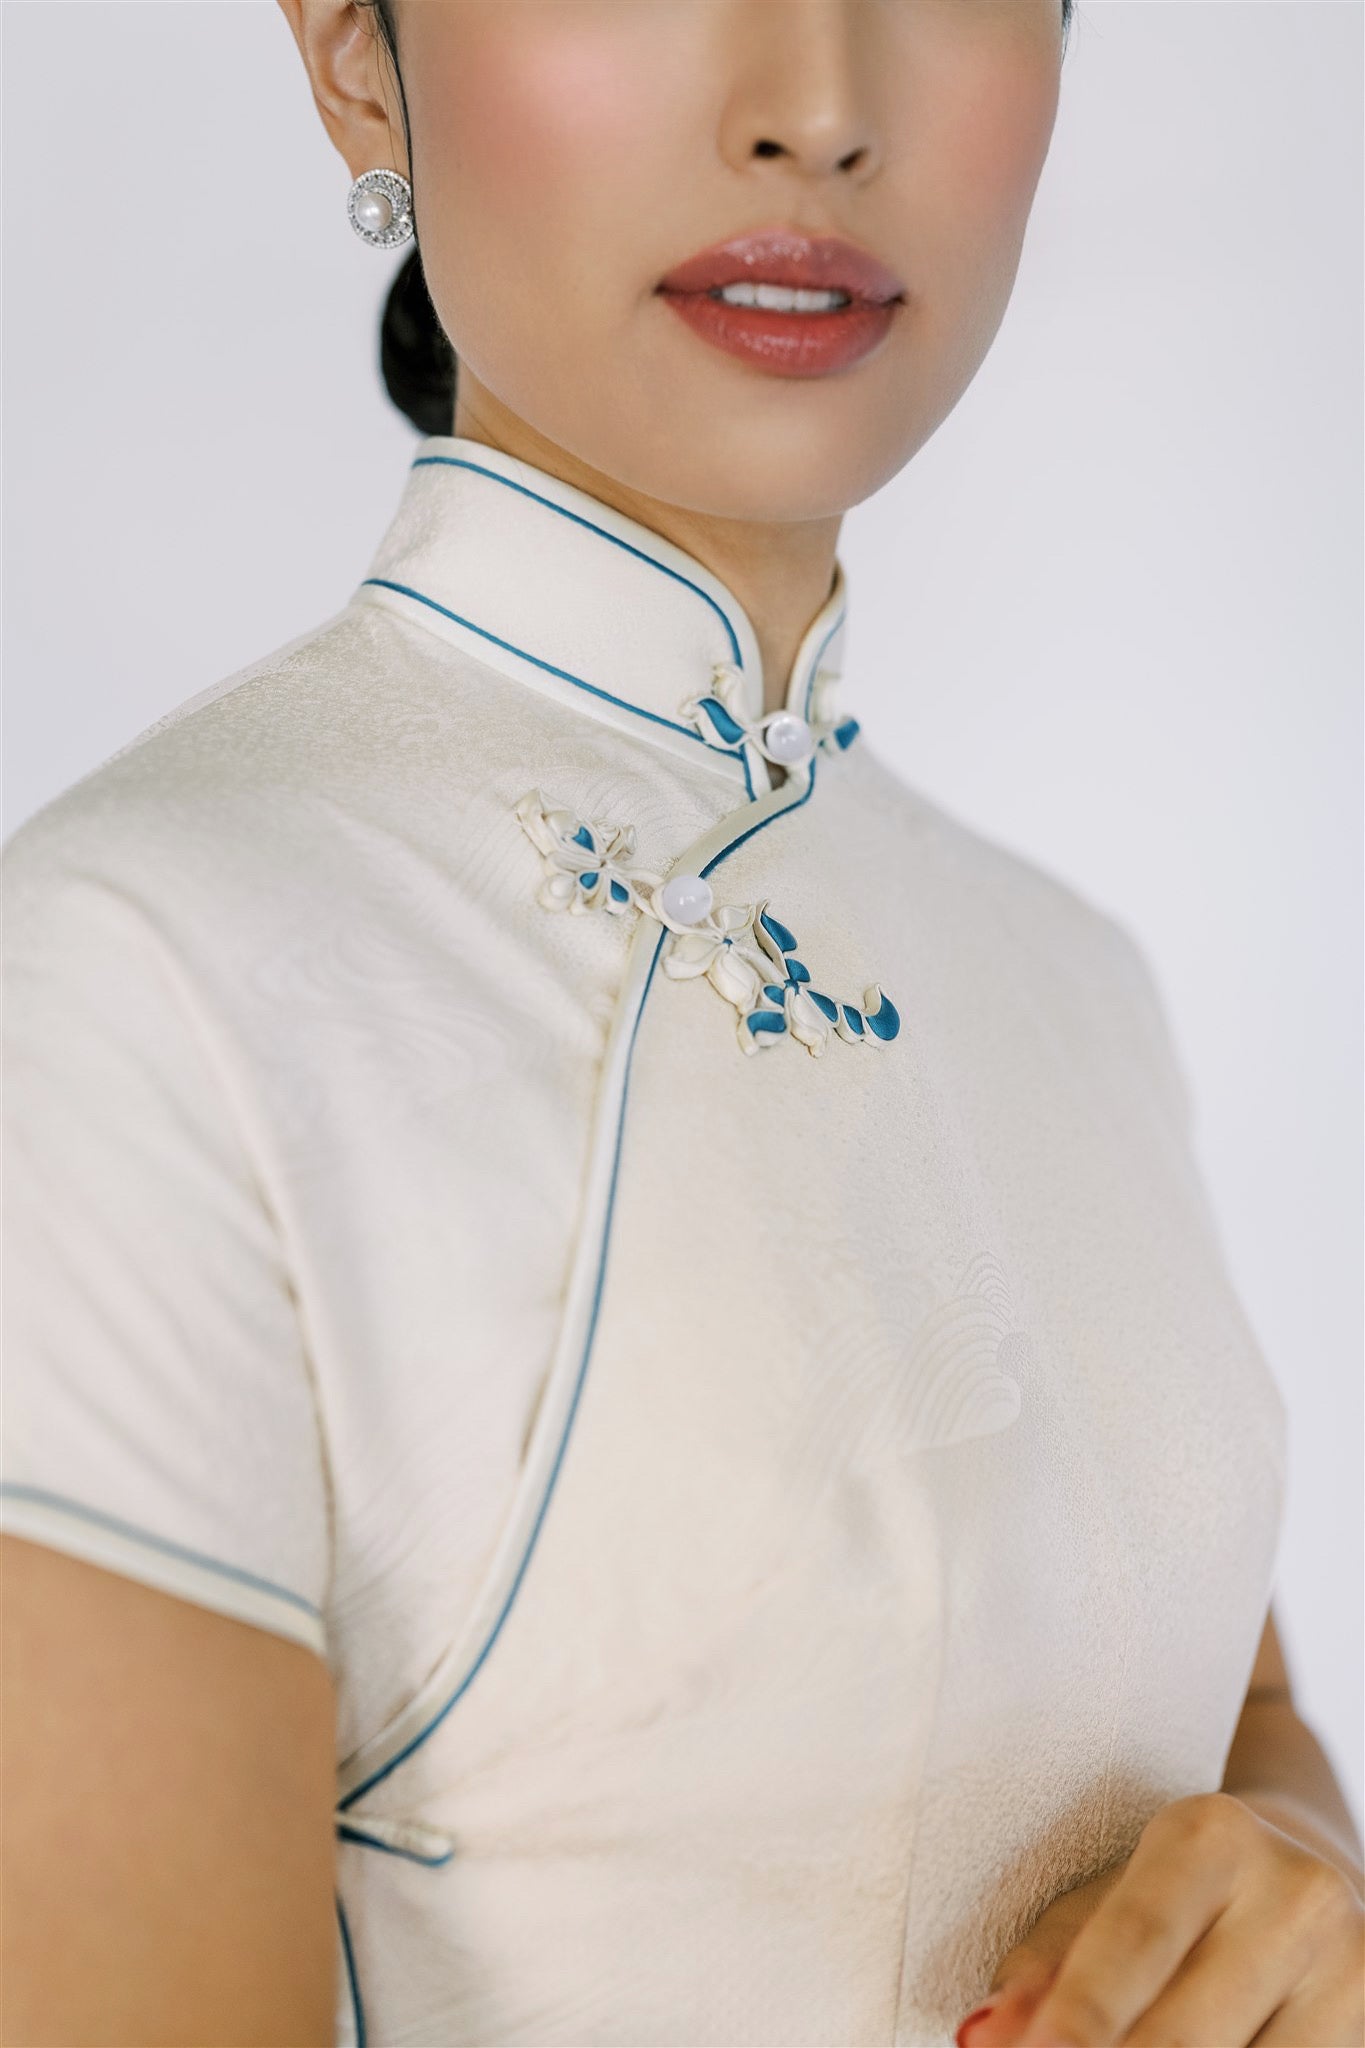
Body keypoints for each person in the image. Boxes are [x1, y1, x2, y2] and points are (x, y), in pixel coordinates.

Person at [3, 2, 1361, 2045]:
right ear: (356, 61)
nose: (814, 110)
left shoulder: (1071, 981)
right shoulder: (134, 988)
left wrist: (1297, 1891)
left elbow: (1234, 1721)